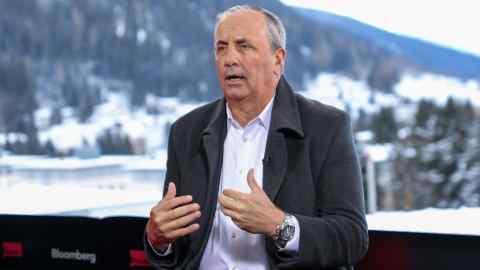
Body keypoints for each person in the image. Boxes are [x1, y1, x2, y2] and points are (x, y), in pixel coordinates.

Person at [144, 5, 368, 270]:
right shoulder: (186, 131)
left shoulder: (327, 127)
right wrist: (157, 240)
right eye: (221, 48)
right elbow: (173, 247)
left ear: (278, 60)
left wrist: (279, 224)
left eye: (244, 46)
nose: (230, 59)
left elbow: (352, 238)